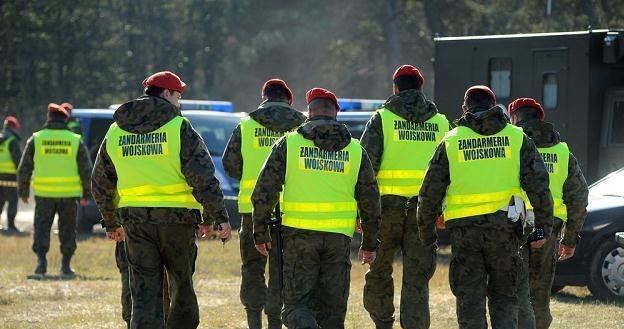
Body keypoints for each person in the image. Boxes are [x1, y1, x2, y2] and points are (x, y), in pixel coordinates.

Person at [91, 71, 231, 329]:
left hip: (135, 222)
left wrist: (111, 223)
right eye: (178, 96)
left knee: (143, 291)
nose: (180, 102)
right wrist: (216, 217)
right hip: (176, 222)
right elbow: (202, 177)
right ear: (166, 94)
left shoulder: (115, 131)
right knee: (181, 286)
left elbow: (100, 182)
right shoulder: (179, 127)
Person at [416, 85, 554, 329]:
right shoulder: (516, 137)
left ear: (465, 108)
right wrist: (543, 227)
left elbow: (429, 191)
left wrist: (427, 233)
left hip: (465, 233)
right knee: (504, 298)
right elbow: (539, 184)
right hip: (505, 231)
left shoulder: (452, 140)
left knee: (470, 300)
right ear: (494, 107)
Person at [252, 88, 381, 329]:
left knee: (295, 306)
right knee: (332, 311)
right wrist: (370, 243)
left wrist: (260, 232)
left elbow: (264, 191)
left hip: (298, 237)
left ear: (308, 112)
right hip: (338, 239)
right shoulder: (355, 151)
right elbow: (371, 201)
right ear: (336, 113)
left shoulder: (288, 144)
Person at [360, 64, 449, 329]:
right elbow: (450, 172)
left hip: (385, 209)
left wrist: (360, 213)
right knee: (417, 276)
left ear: (395, 89)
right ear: (421, 88)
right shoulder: (441, 122)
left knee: (379, 270)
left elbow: (365, 169)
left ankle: (383, 322)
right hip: (425, 210)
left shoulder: (382, 119)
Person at [223, 78, 305, 329]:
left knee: (252, 268)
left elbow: (230, 163)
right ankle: (275, 323)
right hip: (290, 210)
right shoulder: (302, 125)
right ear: (288, 101)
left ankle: (254, 321)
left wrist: (252, 177)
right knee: (282, 269)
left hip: (252, 210)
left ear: (264, 98)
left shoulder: (246, 125)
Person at [509, 98, 589, 329]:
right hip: (549, 229)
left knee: (513, 290)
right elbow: (579, 197)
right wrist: (571, 239)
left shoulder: (511, 145)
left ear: (515, 117)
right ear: (540, 118)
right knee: (540, 293)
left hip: (514, 225)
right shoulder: (562, 152)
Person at [17, 103, 92, 275]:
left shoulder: (36, 139)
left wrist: (23, 192)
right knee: (68, 230)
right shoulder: (74, 140)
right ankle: (66, 266)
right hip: (69, 195)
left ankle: (41, 262)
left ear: (49, 117)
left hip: (44, 195)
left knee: (42, 228)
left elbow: (25, 167)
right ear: (66, 118)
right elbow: (86, 169)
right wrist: (86, 193)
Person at [0, 115, 23, 232]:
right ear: (13, 128)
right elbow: (18, 161)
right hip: (10, 176)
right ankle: (11, 225)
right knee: (13, 200)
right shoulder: (12, 141)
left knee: (0, 200)